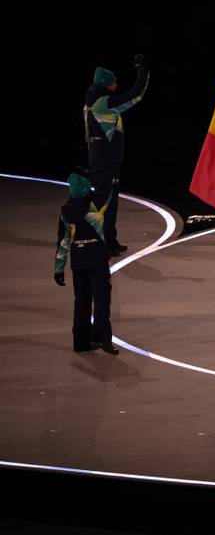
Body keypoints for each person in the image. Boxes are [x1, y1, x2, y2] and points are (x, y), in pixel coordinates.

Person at [84, 54, 150, 255]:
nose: (116, 83)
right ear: (105, 84)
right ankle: (104, 244)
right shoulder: (104, 103)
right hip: (106, 161)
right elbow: (136, 95)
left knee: (104, 202)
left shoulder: (91, 100)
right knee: (107, 205)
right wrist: (142, 70)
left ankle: (108, 240)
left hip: (98, 158)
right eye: (113, 81)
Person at [54, 170, 119, 355]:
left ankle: (81, 343)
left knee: (81, 302)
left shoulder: (65, 212)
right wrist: (91, 175)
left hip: (78, 262)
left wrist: (59, 269)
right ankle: (104, 340)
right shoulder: (96, 205)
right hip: (97, 260)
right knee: (101, 301)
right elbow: (108, 188)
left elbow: (63, 242)